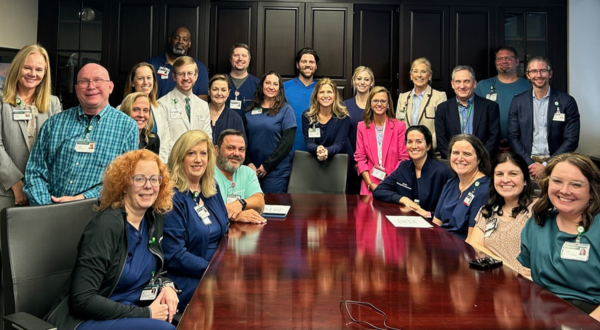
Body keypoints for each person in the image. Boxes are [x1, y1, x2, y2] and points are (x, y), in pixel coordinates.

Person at [44, 149, 178, 330]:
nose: (148, 186)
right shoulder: (106, 226)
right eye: (139, 179)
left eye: (154, 179)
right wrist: (145, 314)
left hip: (133, 309)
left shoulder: (153, 218)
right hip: (88, 320)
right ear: (123, 184)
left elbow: (158, 270)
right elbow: (83, 300)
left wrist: (167, 286)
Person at [24, 63, 138, 205]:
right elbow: (35, 171)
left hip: (98, 213)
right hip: (48, 212)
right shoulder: (53, 124)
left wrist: (81, 200)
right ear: (76, 89)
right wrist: (46, 207)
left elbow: (125, 178)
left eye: (97, 80)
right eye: (84, 81)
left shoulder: (127, 127)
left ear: (110, 87)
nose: (91, 86)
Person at [518, 153, 600, 321]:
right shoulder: (537, 222)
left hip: (590, 314)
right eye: (557, 181)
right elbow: (526, 275)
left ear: (592, 191)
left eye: (576, 185)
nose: (564, 190)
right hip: (542, 311)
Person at [162, 130, 229, 311]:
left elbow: (225, 229)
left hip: (217, 271)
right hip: (189, 278)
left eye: (203, 153)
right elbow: (175, 255)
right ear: (180, 158)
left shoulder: (210, 188)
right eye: (191, 153)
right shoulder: (172, 197)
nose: (198, 159)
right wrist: (214, 270)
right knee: (235, 297)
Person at [0, 44, 61, 210]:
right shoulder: (1, 100)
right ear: (17, 67)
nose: (33, 74)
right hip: (6, 191)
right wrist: (16, 183)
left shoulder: (53, 103)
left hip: (44, 191)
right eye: (27, 67)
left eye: (39, 69)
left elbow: (56, 146)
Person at [507, 56, 580, 179]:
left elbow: (572, 139)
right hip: (526, 164)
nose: (539, 75)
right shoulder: (518, 101)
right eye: (534, 71)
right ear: (528, 75)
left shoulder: (567, 101)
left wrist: (547, 164)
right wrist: (530, 164)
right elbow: (512, 136)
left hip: (557, 164)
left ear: (550, 73)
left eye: (543, 70)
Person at [466, 152, 534, 272]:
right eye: (499, 174)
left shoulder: (536, 210)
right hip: (491, 279)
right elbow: (474, 245)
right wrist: (504, 265)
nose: (505, 180)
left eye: (513, 174)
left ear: (525, 181)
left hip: (524, 282)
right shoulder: (487, 211)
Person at [373, 125, 454, 214]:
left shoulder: (442, 172)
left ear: (428, 146)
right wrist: (402, 199)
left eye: (419, 142)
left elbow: (451, 209)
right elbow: (379, 191)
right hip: (406, 221)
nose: (414, 146)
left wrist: (428, 214)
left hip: (433, 223)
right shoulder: (403, 167)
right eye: (409, 142)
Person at [245, 72, 296, 193]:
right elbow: (243, 140)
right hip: (252, 170)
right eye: (268, 83)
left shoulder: (286, 110)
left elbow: (287, 143)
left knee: (273, 207)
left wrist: (267, 166)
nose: (271, 87)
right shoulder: (252, 109)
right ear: (262, 85)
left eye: (275, 84)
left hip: (276, 172)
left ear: (280, 88)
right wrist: (248, 163)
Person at [435, 65, 501, 160]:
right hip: (453, 164)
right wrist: (455, 160)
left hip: (482, 163)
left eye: (466, 81)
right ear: (452, 84)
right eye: (458, 82)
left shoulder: (490, 107)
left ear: (474, 83)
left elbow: (494, 138)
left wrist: (478, 160)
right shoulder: (443, 109)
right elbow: (441, 140)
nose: (462, 86)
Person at [433, 134, 491, 240]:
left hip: (461, 250)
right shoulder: (451, 183)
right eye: (456, 153)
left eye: (466, 154)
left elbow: (471, 239)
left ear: (478, 159)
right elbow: (436, 223)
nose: (460, 158)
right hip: (439, 244)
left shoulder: (484, 190)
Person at [355, 86, 409, 195]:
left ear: (388, 104)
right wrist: (369, 183)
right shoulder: (362, 127)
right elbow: (360, 158)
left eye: (383, 101)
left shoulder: (399, 126)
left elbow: (403, 158)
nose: (379, 104)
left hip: (393, 183)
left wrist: (390, 182)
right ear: (370, 103)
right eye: (375, 101)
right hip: (369, 184)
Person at [156, 56, 211, 162]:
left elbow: (207, 138)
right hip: (175, 163)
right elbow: (165, 141)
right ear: (174, 77)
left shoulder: (203, 105)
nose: (186, 78)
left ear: (196, 76)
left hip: (199, 164)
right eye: (181, 74)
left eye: (190, 73)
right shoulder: (162, 104)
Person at [475, 46, 531, 143]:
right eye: (500, 59)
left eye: (508, 58)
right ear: (495, 62)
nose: (504, 61)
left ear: (517, 62)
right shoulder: (482, 86)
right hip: (488, 144)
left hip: (521, 144)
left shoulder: (529, 86)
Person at [214, 129, 266, 223]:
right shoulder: (206, 174)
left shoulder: (248, 172)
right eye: (230, 148)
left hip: (242, 233)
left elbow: (260, 203)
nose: (236, 153)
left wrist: (240, 203)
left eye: (241, 149)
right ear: (217, 150)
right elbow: (204, 210)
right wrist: (235, 216)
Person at [396, 58, 447, 149]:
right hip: (407, 151)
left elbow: (441, 127)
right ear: (411, 75)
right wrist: (404, 147)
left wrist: (428, 146)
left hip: (430, 152)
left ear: (430, 76)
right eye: (415, 71)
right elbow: (398, 126)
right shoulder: (402, 97)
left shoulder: (439, 96)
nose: (419, 75)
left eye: (423, 72)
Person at [147, 27, 209, 100]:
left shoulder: (199, 67)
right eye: (176, 38)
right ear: (170, 40)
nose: (180, 41)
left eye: (185, 39)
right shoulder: (153, 64)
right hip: (157, 109)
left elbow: (203, 97)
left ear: (189, 44)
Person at [302, 78, 350, 161]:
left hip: (336, 162)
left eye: (329, 92)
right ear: (316, 96)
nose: (325, 95)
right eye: (321, 92)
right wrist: (317, 149)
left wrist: (327, 151)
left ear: (335, 96)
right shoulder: (307, 116)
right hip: (314, 161)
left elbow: (339, 144)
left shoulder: (344, 117)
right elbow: (309, 143)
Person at [345, 66, 375, 194]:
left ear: (371, 83)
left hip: (374, 164)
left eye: (366, 79)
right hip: (351, 162)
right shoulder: (344, 106)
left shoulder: (378, 105)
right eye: (359, 78)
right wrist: (355, 160)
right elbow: (343, 135)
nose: (362, 82)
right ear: (354, 81)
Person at [284, 47, 319, 152]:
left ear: (316, 66)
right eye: (304, 61)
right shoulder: (284, 87)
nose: (308, 64)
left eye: (311, 62)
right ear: (297, 65)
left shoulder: (323, 89)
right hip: (289, 148)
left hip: (317, 148)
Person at [208, 74, 246, 143]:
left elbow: (241, 146)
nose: (219, 93)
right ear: (209, 91)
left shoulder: (235, 119)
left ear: (228, 92)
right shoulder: (199, 113)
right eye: (215, 89)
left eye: (223, 90)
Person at [226, 43, 260, 116]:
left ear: (249, 59)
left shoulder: (258, 84)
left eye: (244, 56)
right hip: (224, 127)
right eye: (236, 55)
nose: (240, 59)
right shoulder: (220, 81)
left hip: (248, 127)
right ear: (230, 59)